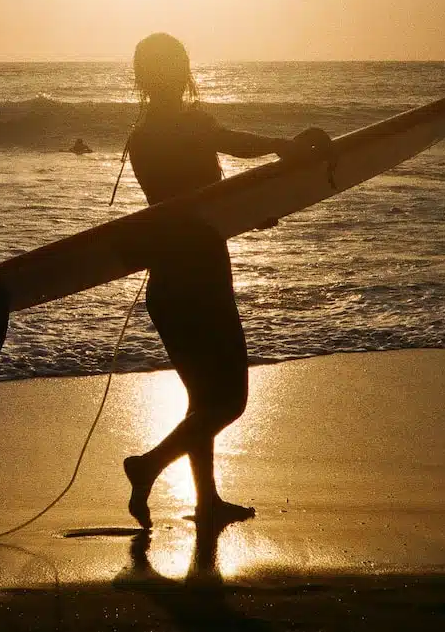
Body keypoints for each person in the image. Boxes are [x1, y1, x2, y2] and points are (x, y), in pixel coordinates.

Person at [119, 32, 332, 530]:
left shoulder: (142, 137)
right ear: (178, 71)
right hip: (201, 280)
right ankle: (147, 466)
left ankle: (207, 502)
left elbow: (185, 208)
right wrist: (283, 147)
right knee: (229, 401)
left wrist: (246, 215)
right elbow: (232, 145)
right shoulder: (188, 125)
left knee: (203, 401)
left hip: (169, 285)